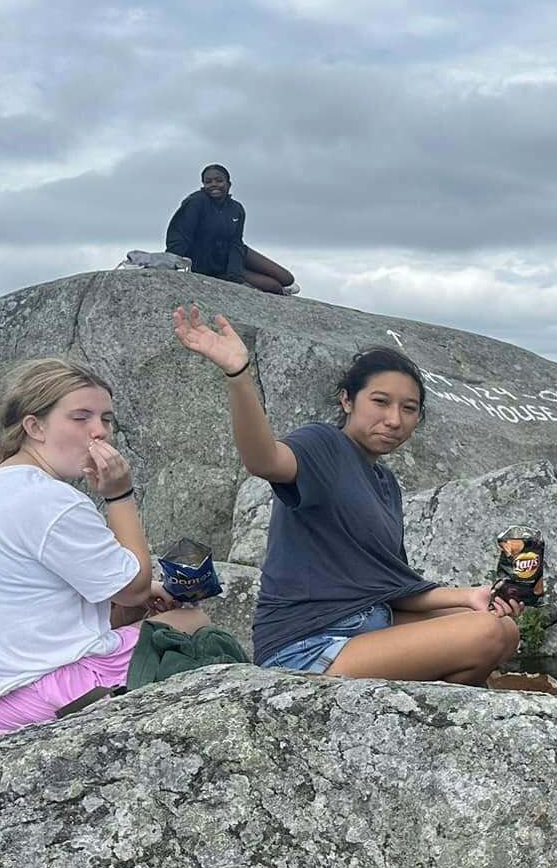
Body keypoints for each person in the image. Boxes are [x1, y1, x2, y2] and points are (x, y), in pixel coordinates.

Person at [173, 307, 521, 682]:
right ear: (346, 401)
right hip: (306, 644)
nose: (394, 419)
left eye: (409, 409)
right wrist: (238, 374)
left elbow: (392, 588)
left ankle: (413, 722)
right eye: (380, 402)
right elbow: (264, 460)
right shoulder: (324, 445)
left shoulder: (385, 484)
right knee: (485, 633)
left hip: (373, 623)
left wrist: (470, 595)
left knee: (501, 629)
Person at [0, 360, 213, 742]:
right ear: (35, 427)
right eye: (81, 417)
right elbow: (133, 588)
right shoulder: (50, 500)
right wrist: (119, 494)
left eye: (106, 419)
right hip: (40, 694)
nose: (99, 431)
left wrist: (145, 594)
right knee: (191, 621)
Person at [165, 164, 299, 296]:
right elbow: (180, 234)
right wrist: (170, 261)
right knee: (273, 286)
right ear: (203, 185)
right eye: (208, 182)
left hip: (234, 253)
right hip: (211, 262)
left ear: (228, 184)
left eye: (219, 181)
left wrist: (234, 272)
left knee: (287, 279)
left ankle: (243, 273)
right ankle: (276, 291)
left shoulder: (236, 208)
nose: (213, 184)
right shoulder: (196, 202)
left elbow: (236, 242)